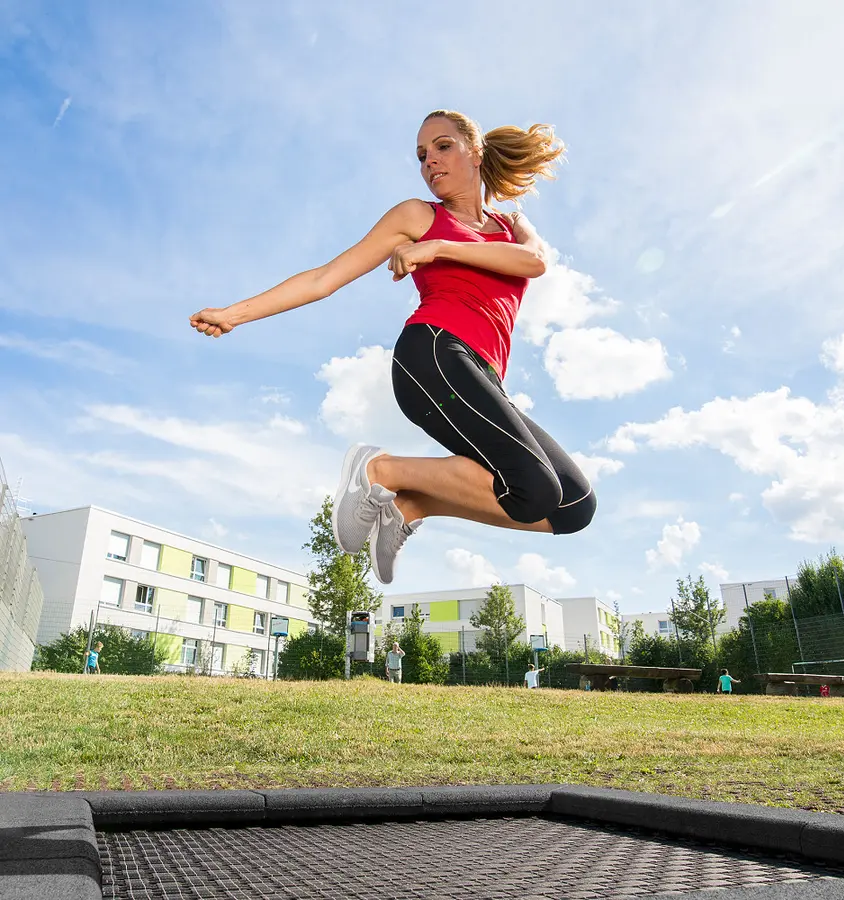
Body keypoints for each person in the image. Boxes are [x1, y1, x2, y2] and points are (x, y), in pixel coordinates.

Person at [190, 110, 596, 584]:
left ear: (476, 150)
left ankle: (413, 503)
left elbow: (534, 263)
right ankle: (378, 468)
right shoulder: (418, 215)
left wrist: (440, 250)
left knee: (573, 506)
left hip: (484, 376)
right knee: (535, 490)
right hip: (435, 355)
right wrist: (234, 315)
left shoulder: (511, 226)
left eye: (442, 147)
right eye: (422, 155)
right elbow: (324, 278)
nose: (429, 162)